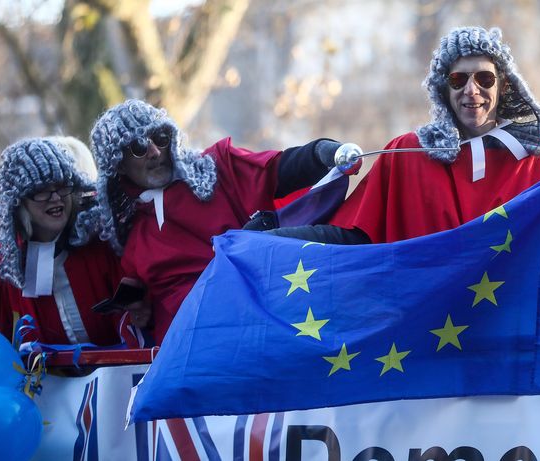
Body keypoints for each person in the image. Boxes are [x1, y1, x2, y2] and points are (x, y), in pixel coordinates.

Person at [270, 26, 540, 287]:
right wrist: (270, 239)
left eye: (484, 78)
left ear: (504, 86)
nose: (472, 90)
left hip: (505, 345)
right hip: (423, 346)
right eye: (458, 79)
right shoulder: (408, 154)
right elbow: (354, 238)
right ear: (443, 88)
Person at [90, 98, 355, 345]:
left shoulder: (219, 170)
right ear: (119, 165)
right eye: (138, 147)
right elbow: (148, 318)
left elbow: (276, 170)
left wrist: (323, 153)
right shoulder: (131, 238)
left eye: (160, 137)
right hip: (194, 353)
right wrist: (141, 312)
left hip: (261, 328)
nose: (155, 151)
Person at [0, 138, 140, 346]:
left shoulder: (101, 241)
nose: (55, 198)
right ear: (18, 204)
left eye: (61, 186)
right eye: (41, 190)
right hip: (49, 377)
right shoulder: (10, 270)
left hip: (119, 371)